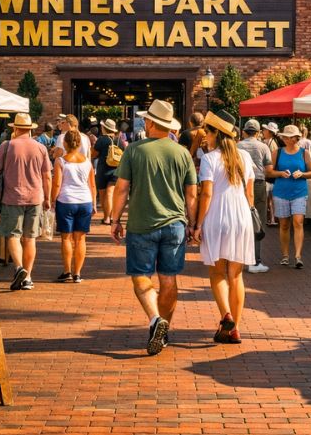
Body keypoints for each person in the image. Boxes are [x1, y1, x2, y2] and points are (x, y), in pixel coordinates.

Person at [111, 100, 197, 356]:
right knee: (169, 278)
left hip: (141, 223)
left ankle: (154, 319)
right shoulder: (182, 153)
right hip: (175, 225)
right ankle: (164, 328)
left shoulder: (134, 150)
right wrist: (193, 224)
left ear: (150, 122)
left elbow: (122, 188)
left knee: (141, 276)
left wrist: (115, 219)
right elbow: (192, 193)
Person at [193, 110, 256, 344]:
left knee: (217, 272)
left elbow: (207, 193)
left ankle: (226, 315)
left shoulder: (209, 159)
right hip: (241, 215)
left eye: (207, 134)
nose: (204, 138)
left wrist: (198, 224)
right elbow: (250, 193)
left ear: (215, 134)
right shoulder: (245, 158)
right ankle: (235, 328)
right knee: (236, 275)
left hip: (217, 216)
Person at [0, 113, 51, 291]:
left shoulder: (7, 145)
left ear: (15, 129)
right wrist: (48, 198)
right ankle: (28, 277)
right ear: (31, 129)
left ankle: (18, 268)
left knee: (13, 235)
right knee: (30, 238)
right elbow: (47, 176)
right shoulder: (40, 148)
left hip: (12, 197)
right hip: (35, 197)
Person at [266, 124, 311, 269]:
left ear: (296, 138)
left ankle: (298, 256)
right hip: (281, 192)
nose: (286, 139)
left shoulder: (304, 153)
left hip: (299, 191)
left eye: (289, 137)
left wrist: (302, 174)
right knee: (284, 224)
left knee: (298, 222)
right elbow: (269, 172)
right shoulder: (277, 152)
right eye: (285, 137)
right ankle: (285, 255)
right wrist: (280, 173)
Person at [51, 130, 96, 284]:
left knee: (66, 238)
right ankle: (77, 273)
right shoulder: (87, 162)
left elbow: (57, 184)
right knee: (81, 239)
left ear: (65, 143)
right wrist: (94, 203)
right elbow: (92, 185)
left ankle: (67, 271)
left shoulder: (60, 161)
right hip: (85, 201)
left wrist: (51, 200)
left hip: (66, 201)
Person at [237, 119, 271, 274]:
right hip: (258, 184)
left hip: (239, 184)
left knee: (240, 221)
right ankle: (255, 260)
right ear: (258, 133)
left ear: (244, 131)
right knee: (258, 221)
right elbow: (269, 169)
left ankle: (238, 258)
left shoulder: (237, 146)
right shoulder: (263, 146)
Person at [93, 119, 124, 225]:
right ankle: (110, 218)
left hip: (103, 169)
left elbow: (94, 154)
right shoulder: (119, 140)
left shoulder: (102, 140)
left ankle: (106, 217)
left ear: (104, 128)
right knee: (110, 194)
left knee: (103, 194)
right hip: (116, 170)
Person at [261, 122, 280, 226]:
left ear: (269, 132)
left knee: (270, 199)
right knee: (270, 199)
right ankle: (272, 218)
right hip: (272, 174)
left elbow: (272, 161)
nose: (263, 132)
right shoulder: (272, 141)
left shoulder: (271, 143)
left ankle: (272, 219)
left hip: (270, 174)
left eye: (265, 130)